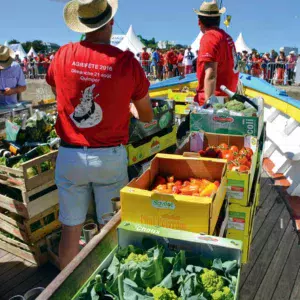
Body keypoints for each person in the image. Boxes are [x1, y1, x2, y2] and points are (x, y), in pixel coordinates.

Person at [46, 0, 153, 270]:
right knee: (110, 229)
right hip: (109, 157)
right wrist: (127, 107)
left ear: (82, 25)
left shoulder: (63, 55)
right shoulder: (127, 62)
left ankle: (67, 291)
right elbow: (148, 116)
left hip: (70, 154)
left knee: (71, 230)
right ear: (111, 22)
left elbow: (56, 92)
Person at [193, 1, 239, 106]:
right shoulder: (226, 37)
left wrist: (209, 106)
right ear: (218, 20)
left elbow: (211, 75)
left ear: (199, 22)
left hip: (214, 99)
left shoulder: (209, 37)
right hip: (227, 96)